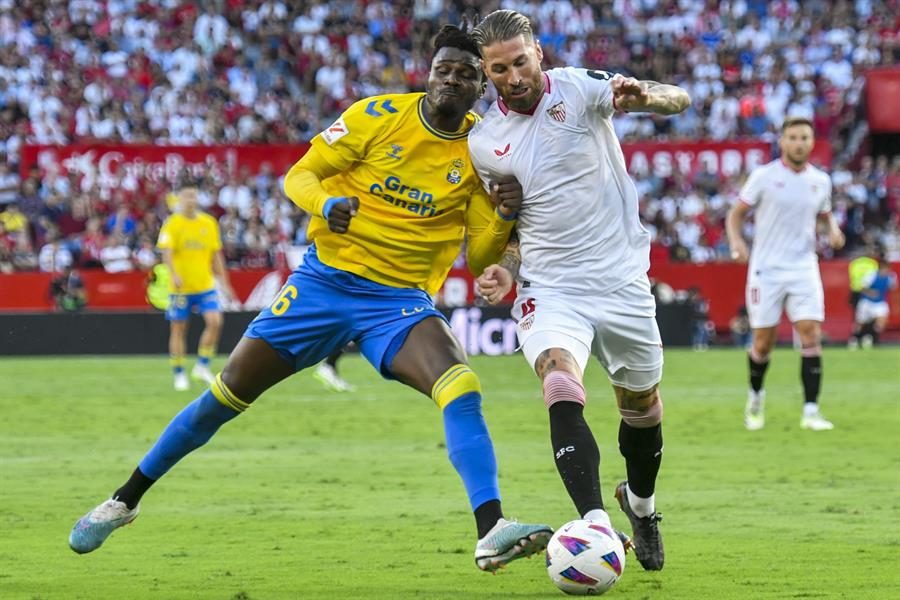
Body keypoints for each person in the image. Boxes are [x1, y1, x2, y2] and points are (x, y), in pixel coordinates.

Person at [69, 25, 552, 573]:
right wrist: (324, 205)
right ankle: (123, 500)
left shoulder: (485, 149)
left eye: (467, 74)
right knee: (224, 398)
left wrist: (505, 214)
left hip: (397, 302)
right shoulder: (376, 115)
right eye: (445, 68)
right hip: (322, 284)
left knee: (460, 384)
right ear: (429, 72)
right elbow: (300, 175)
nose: (452, 79)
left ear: (480, 87)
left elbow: (480, 253)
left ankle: (491, 529)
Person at [469, 9, 690, 572]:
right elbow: (515, 222)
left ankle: (639, 505)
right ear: (486, 72)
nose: (513, 76)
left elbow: (676, 100)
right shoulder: (484, 141)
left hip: (621, 280)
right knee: (560, 379)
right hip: (551, 284)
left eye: (520, 61)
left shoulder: (583, 89)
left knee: (641, 407)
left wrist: (645, 93)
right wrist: (508, 268)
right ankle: (595, 525)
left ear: (538, 52)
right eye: (499, 69)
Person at [726, 116, 845, 432]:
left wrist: (832, 230)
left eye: (804, 137)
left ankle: (811, 411)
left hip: (804, 267)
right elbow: (735, 215)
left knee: (810, 333)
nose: (799, 143)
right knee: (763, 343)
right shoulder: (764, 177)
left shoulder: (821, 180)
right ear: (782, 142)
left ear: (811, 141)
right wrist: (737, 243)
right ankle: (755, 398)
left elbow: (824, 213)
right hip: (767, 269)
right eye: (793, 137)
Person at [158, 186, 235, 391]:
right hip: (180, 289)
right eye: (186, 196)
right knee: (179, 329)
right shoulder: (172, 224)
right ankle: (179, 373)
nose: (190, 199)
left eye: (193, 195)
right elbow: (166, 252)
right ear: (179, 199)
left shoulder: (208, 223)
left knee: (215, 321)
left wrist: (225, 284)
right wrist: (173, 273)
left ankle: (202, 366)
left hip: (205, 285)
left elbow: (216, 255)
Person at [853, 256, 899, 348]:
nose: (886, 270)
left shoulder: (891, 277)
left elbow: (893, 289)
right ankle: (855, 338)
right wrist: (870, 292)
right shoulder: (872, 275)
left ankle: (870, 336)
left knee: (882, 321)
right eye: (884, 268)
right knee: (860, 322)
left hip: (880, 302)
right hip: (867, 301)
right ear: (881, 267)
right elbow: (862, 288)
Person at [846, 247, 880, 349]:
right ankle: (867, 337)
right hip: (868, 293)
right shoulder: (873, 263)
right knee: (870, 317)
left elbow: (852, 277)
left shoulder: (854, 263)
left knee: (858, 318)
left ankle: (855, 339)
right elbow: (875, 279)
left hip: (855, 292)